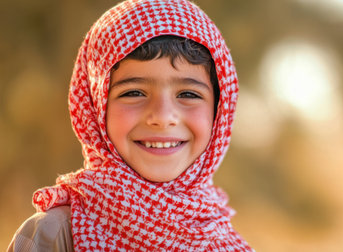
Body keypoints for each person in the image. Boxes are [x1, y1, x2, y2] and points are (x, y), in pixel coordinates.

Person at [8, 0, 253, 251]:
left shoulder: (225, 241)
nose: (162, 116)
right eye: (134, 92)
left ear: (219, 112)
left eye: (188, 95)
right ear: (96, 107)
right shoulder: (54, 235)